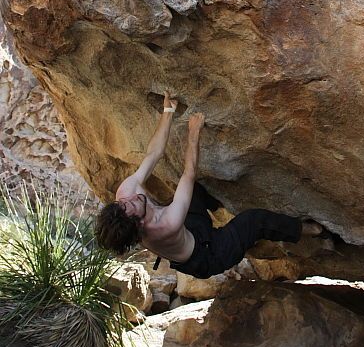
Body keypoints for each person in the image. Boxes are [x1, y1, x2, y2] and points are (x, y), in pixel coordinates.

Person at [94, 92, 323, 278]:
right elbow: (189, 174)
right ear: (139, 224)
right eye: (134, 205)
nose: (134, 197)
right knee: (254, 220)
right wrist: (194, 132)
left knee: (195, 193)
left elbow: (153, 155)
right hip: (209, 254)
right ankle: (308, 230)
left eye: (125, 203)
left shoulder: (125, 196)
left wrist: (168, 111)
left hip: (191, 230)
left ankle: (226, 215)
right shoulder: (167, 224)